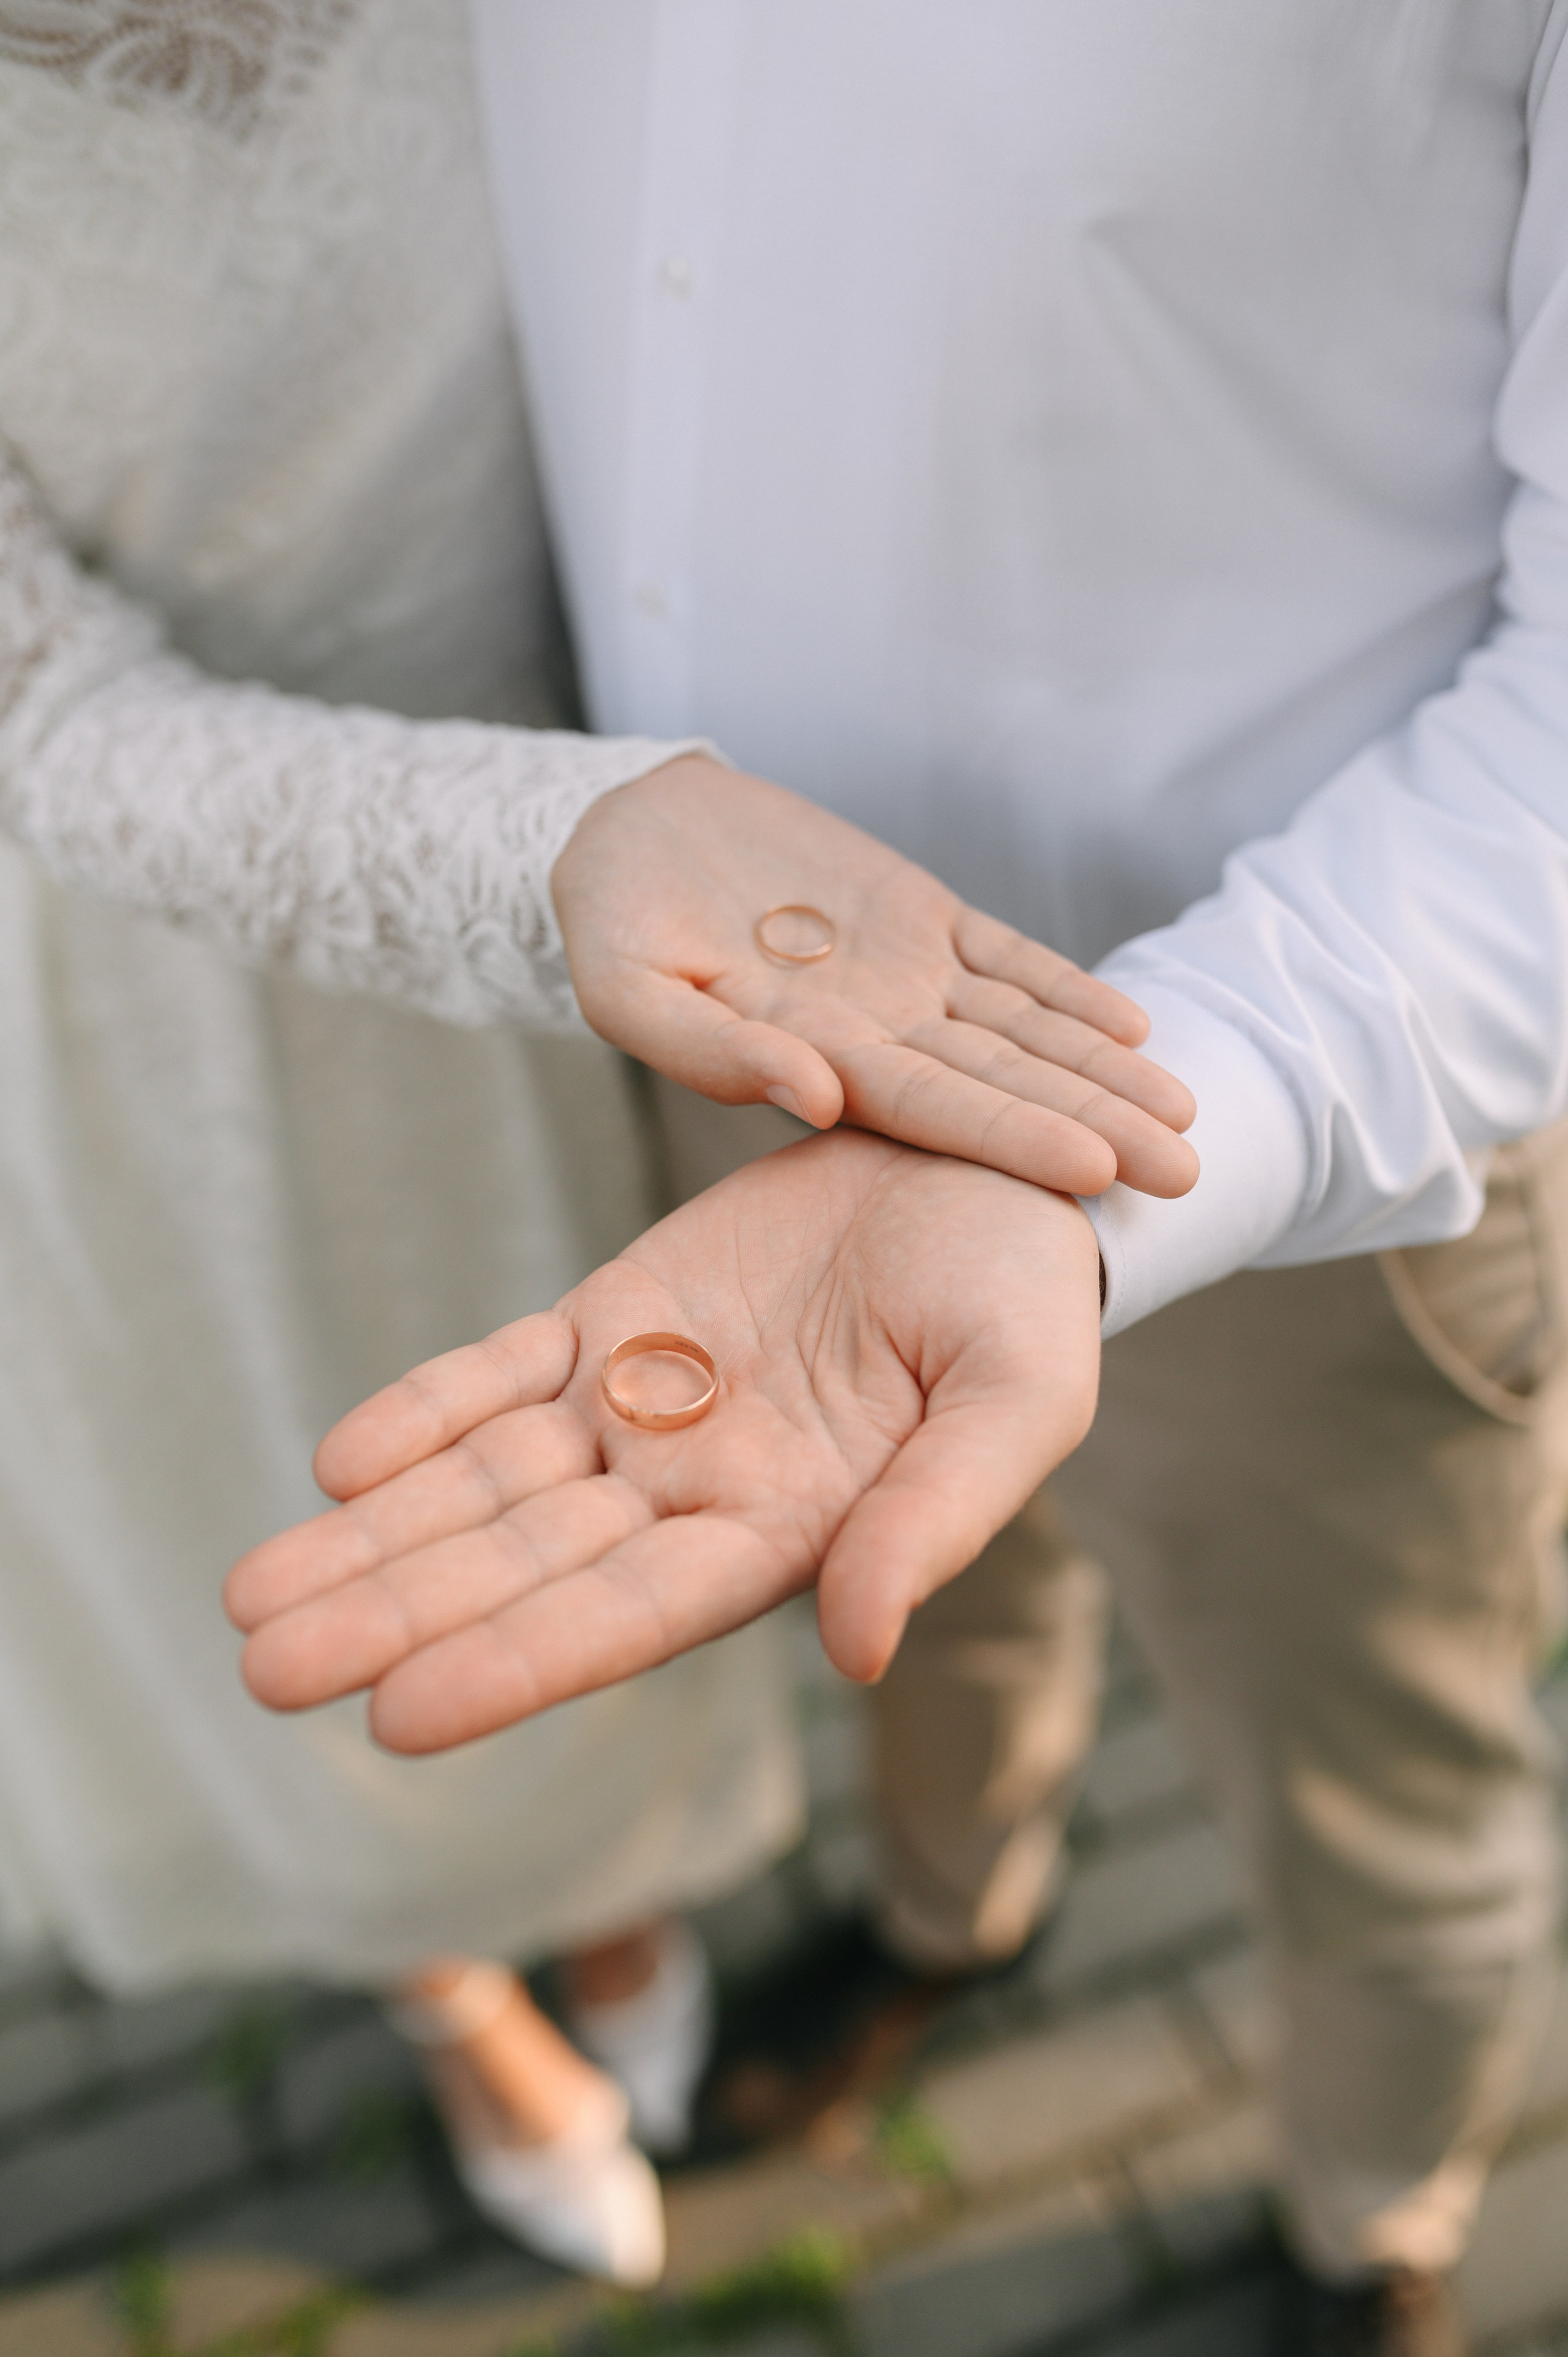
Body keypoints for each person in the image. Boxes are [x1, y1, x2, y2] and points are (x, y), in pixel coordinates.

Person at [238, 6, 1568, 2347]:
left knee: (1379, 1798)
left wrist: (1145, 1136)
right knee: (924, 1613)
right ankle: (957, 1912)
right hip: (740, 1053)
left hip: (1320, 1143)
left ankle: (1377, 2216)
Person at [0, 0, 1189, 2289]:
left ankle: (617, 1902)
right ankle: (450, 1995)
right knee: (287, 1512)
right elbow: (43, 711)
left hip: (671, 886)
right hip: (196, 965)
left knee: (626, 1474)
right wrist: (548, 855)